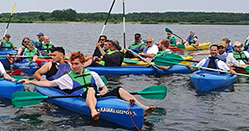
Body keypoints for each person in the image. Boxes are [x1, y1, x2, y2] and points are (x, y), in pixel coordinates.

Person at [20, 51, 155, 120]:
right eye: (72, 64)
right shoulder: (67, 78)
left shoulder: (93, 74)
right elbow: (49, 83)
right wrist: (31, 81)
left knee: (119, 89)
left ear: (83, 64)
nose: (73, 66)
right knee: (90, 89)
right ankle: (93, 112)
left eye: (76, 64)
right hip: (81, 99)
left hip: (98, 98)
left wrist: (104, 91)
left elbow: (104, 87)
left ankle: (143, 108)